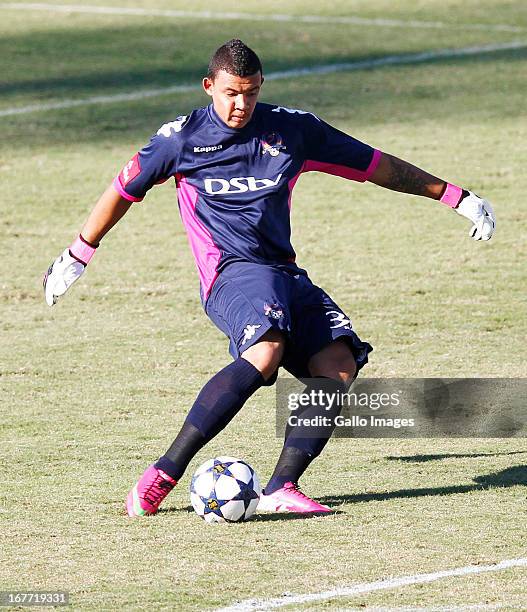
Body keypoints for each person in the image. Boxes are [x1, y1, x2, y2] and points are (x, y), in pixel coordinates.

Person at [43, 39, 495, 517]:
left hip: (283, 273)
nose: (241, 104)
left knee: (338, 363)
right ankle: (162, 475)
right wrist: (79, 253)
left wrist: (453, 195)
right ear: (209, 87)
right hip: (229, 273)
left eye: (252, 93)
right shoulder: (180, 140)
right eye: (232, 93)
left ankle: (281, 487)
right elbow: (122, 190)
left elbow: (375, 165)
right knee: (266, 350)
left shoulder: (293, 131)